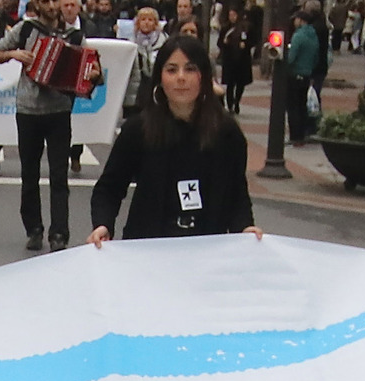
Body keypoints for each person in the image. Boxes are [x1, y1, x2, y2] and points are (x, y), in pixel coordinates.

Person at [90, 35, 258, 243]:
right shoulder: (138, 130)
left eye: (190, 69)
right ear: (159, 78)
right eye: (171, 70)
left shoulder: (227, 132)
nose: (181, 77)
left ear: (204, 77)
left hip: (208, 247)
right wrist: (103, 224)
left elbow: (237, 193)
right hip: (148, 247)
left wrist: (245, 228)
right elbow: (109, 188)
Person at [0, 0, 85, 252]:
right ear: (37, 3)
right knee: (29, 174)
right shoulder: (25, 29)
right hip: (29, 110)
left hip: (59, 110)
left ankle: (59, 233)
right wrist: (14, 54)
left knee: (59, 175)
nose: (53, 5)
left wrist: (91, 75)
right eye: (47, 1)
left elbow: (87, 69)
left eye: (56, 0)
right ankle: (33, 229)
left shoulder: (75, 35)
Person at [284, 3, 330, 148]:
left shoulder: (299, 36)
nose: (294, 21)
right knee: (303, 106)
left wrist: (286, 65)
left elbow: (291, 58)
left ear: (301, 20)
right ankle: (302, 135)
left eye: (296, 19)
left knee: (293, 106)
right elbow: (316, 57)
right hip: (307, 73)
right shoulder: (313, 36)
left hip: (295, 73)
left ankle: (295, 135)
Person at [217, 7, 254, 114]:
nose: (232, 17)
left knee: (240, 84)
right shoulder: (226, 28)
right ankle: (230, 105)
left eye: (234, 15)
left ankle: (237, 101)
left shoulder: (246, 27)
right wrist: (224, 43)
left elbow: (253, 40)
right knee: (230, 84)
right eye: (230, 15)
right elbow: (219, 43)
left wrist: (246, 45)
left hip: (242, 60)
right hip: (229, 59)